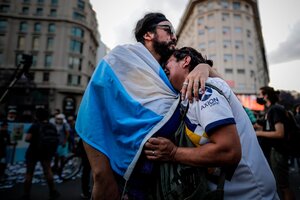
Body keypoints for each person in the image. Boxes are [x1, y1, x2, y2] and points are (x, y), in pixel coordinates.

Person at [76, 12, 217, 199]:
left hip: (166, 180)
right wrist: (101, 173)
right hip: (126, 174)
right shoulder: (121, 59)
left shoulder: (170, 73)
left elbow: (221, 90)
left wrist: (204, 67)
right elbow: (93, 107)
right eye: (167, 30)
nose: (174, 37)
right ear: (148, 35)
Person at [144, 47, 279, 199]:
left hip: (251, 193)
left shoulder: (203, 90)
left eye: (167, 63)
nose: (163, 69)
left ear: (185, 61)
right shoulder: (189, 94)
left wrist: (173, 153)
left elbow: (229, 151)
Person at [255, 86, 295, 200]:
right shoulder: (270, 109)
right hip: (274, 151)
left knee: (283, 186)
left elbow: (279, 133)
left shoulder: (275, 109)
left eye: (259, 95)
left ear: (265, 96)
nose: (258, 97)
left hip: (278, 151)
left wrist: (259, 133)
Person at [23, 108, 60, 200]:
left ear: (37, 116)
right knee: (48, 171)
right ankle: (52, 192)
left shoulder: (34, 126)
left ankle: (26, 194)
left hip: (33, 152)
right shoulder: (51, 126)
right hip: (46, 152)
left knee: (29, 173)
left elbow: (27, 138)